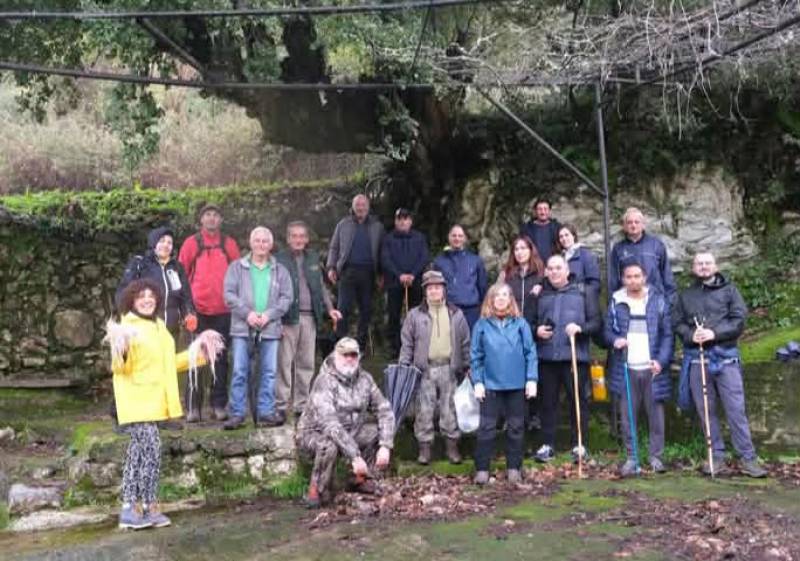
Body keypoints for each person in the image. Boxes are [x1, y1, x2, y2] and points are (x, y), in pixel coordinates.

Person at [111, 279, 208, 529]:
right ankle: (139, 507)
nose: (146, 300)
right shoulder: (126, 327)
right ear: (132, 300)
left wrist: (198, 353)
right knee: (150, 449)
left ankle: (139, 508)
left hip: (153, 401)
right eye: (141, 296)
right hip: (136, 400)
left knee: (140, 453)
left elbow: (167, 364)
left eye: (151, 296)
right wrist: (120, 350)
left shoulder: (159, 326)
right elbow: (120, 367)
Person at [672, 252, 767, 478]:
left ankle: (748, 458)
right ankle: (716, 456)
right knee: (706, 411)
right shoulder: (685, 295)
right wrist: (691, 335)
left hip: (726, 359)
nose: (703, 267)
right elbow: (677, 323)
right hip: (698, 359)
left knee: (736, 409)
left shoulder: (730, 291)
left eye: (707, 263)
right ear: (693, 268)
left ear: (715, 266)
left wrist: (714, 333)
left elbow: (739, 320)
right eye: (699, 263)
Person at [297, 337, 395, 508]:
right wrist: (355, 456)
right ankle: (317, 490)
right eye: (345, 355)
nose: (349, 359)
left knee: (375, 433)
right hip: (315, 433)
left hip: (351, 431)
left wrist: (386, 445)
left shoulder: (366, 380)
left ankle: (360, 479)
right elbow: (330, 424)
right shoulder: (324, 381)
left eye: (353, 355)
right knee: (329, 445)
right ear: (336, 356)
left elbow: (384, 409)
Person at [605, 262, 673, 476]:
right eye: (628, 277)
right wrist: (615, 340)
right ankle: (632, 458)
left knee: (656, 417)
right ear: (623, 279)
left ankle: (656, 457)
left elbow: (667, 335)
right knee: (627, 417)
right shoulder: (617, 300)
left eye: (637, 276)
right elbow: (606, 330)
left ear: (644, 277)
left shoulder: (658, 300)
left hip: (652, 368)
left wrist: (661, 361)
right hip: (626, 367)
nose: (633, 280)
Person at [532, 254, 601, 463]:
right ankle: (548, 444)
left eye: (558, 268)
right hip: (547, 357)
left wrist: (580, 328)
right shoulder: (540, 293)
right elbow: (530, 322)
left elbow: (596, 322)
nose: (554, 272)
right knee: (547, 403)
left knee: (578, 401)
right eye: (550, 268)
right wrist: (537, 331)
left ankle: (579, 444)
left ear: (567, 270)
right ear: (545, 272)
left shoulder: (582, 291)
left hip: (574, 356)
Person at [223, 227, 293, 429]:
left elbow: (286, 298)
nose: (261, 245)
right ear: (250, 243)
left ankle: (265, 412)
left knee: (269, 371)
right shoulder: (236, 267)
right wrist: (248, 314)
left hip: (270, 328)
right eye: (257, 240)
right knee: (239, 370)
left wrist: (269, 315)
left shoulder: (280, 271)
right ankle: (236, 414)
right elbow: (228, 294)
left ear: (270, 245)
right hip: (242, 328)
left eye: (265, 241)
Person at [399, 270, 470, 465]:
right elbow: (407, 344)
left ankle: (452, 448)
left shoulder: (456, 314)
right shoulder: (414, 315)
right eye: (430, 288)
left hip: (449, 368)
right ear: (425, 291)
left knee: (450, 409)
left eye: (438, 287)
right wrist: (405, 366)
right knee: (424, 410)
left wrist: (468, 365)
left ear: (444, 290)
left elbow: (465, 342)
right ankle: (425, 450)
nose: (434, 291)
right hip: (425, 370)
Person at [178, 203, 241, 422]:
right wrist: (186, 310)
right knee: (196, 358)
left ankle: (218, 405)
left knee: (221, 359)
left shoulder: (229, 244)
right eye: (208, 215)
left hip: (224, 311)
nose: (212, 219)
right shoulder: (191, 244)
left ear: (220, 220)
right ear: (201, 219)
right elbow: (181, 277)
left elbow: (239, 274)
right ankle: (193, 407)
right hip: (198, 312)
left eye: (216, 215)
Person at [470, 283, 538, 484]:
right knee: (486, 428)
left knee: (516, 427)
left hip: (516, 385)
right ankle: (482, 469)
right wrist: (478, 382)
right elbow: (476, 356)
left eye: (505, 295)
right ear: (490, 300)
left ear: (511, 299)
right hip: (490, 386)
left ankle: (514, 467)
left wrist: (531, 379)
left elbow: (530, 353)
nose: (500, 298)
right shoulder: (481, 325)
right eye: (496, 295)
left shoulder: (521, 324)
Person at [275, 221, 342, 423]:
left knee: (306, 364)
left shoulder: (313, 258)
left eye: (301, 236)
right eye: (294, 236)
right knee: (284, 363)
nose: (298, 240)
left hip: (309, 317)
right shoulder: (279, 260)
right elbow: (273, 289)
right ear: (288, 239)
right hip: (287, 318)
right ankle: (280, 406)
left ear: (306, 239)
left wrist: (330, 309)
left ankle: (301, 405)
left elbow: (321, 288)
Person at [498, 235, 545, 431]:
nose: (520, 252)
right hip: (512, 332)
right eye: (516, 249)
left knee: (534, 375)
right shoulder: (507, 275)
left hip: (535, 331)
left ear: (531, 250)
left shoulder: (542, 274)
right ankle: (512, 417)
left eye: (523, 248)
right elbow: (497, 301)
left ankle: (534, 415)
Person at [116, 226, 195, 342]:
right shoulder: (140, 265)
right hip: (146, 330)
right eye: (162, 241)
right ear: (154, 243)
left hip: (172, 330)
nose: (166, 245)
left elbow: (185, 296)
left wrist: (189, 313)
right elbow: (123, 294)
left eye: (169, 242)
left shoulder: (177, 268)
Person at [326, 194, 385, 351]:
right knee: (343, 309)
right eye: (357, 205)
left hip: (369, 273)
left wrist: (381, 274)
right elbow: (334, 247)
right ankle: (340, 345)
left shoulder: (377, 226)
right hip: (347, 272)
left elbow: (382, 252)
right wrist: (331, 267)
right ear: (353, 207)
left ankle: (361, 346)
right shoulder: (343, 224)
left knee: (366, 310)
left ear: (368, 207)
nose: (360, 208)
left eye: (363, 205)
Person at [381, 208, 430, 358]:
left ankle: (415, 347)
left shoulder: (419, 238)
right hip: (395, 282)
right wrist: (399, 275)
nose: (402, 221)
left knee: (415, 314)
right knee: (393, 315)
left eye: (405, 218)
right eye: (399, 219)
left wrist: (413, 274)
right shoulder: (388, 239)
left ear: (410, 221)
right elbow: (385, 259)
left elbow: (424, 257)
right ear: (395, 221)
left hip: (415, 282)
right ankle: (395, 348)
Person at [610, 208, 676, 302]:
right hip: (628, 301)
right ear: (624, 226)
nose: (633, 225)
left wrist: (669, 301)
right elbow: (613, 279)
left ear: (643, 225)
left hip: (654, 300)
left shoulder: (656, 245)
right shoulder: (618, 249)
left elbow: (667, 275)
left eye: (637, 222)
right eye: (629, 222)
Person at [433, 225, 488, 329]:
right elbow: (435, 287)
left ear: (465, 238)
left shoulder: (475, 260)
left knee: (471, 342)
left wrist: (484, 307)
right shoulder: (439, 262)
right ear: (449, 237)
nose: (457, 238)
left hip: (472, 310)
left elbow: (482, 286)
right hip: (448, 309)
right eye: (454, 235)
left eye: (460, 236)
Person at [556, 223, 601, 294]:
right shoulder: (560, 257)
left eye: (566, 235)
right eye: (561, 237)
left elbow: (594, 284)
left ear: (573, 236)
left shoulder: (586, 254)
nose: (564, 239)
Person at [520, 198, 561, 263]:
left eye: (545, 209)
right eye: (540, 209)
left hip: (553, 266)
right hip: (533, 266)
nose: (543, 212)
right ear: (535, 211)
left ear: (549, 211)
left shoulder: (557, 227)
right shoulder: (527, 228)